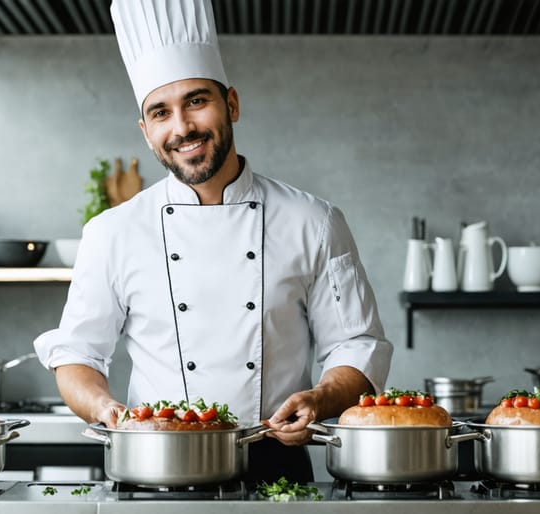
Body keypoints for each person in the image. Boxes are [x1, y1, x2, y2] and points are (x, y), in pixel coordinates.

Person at [34, 0, 392, 484]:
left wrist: (320, 399)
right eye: (161, 112)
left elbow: (357, 344)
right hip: (152, 464)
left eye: (197, 101)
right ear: (146, 132)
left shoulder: (314, 220)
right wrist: (106, 409)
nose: (181, 128)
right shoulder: (112, 232)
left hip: (276, 467)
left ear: (233, 105)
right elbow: (76, 354)